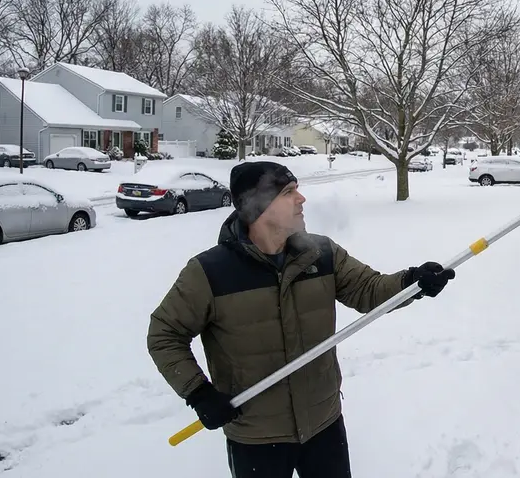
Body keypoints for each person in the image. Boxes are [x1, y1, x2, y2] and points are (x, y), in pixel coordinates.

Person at [147, 160, 455, 477]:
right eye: (288, 192)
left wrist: (412, 282)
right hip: (256, 435)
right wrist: (199, 393)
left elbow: (368, 290)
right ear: (258, 206)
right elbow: (164, 334)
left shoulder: (320, 254)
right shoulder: (211, 272)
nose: (301, 199)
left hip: (323, 422)